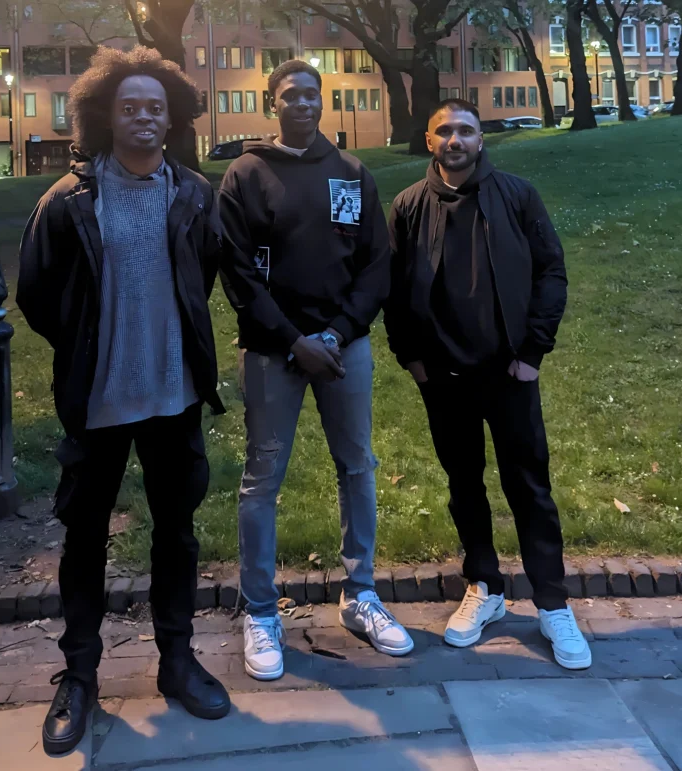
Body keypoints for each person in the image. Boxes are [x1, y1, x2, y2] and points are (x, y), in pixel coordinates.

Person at [17, 46, 231, 755]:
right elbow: (38, 296)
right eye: (129, 106)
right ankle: (78, 675)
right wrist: (88, 345)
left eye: (155, 108)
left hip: (173, 397)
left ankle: (177, 659)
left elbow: (202, 280)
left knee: (176, 532)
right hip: (98, 400)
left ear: (171, 119)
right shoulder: (68, 201)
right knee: (84, 538)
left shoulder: (196, 195)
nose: (143, 117)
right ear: (104, 115)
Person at [218, 59, 413, 682]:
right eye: (289, 95)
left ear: (322, 102)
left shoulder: (352, 173)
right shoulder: (246, 175)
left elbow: (376, 265)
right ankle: (259, 611)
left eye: (311, 95)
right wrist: (292, 339)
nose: (301, 103)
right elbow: (238, 273)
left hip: (343, 347)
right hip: (273, 351)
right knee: (262, 477)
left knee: (358, 465)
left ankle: (360, 595)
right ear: (271, 102)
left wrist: (335, 334)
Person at [384, 99, 591, 671]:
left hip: (510, 372)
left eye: (466, 131)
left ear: (481, 139)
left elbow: (552, 270)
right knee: (464, 484)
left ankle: (552, 603)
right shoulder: (406, 207)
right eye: (444, 130)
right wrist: (412, 359)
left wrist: (532, 352)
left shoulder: (518, 196)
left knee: (529, 486)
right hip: (443, 376)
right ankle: (486, 588)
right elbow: (392, 287)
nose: (455, 139)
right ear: (429, 140)